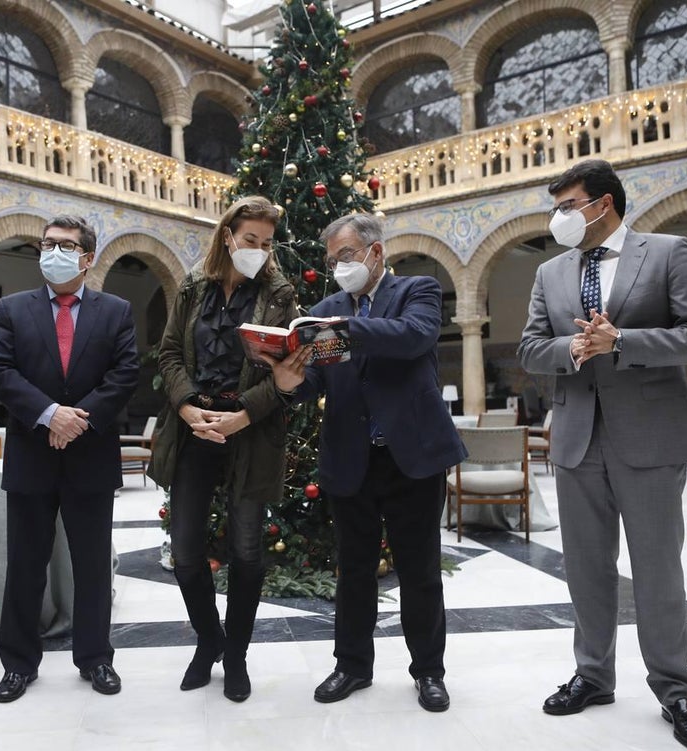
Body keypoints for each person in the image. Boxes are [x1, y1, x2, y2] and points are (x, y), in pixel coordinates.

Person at [518, 159, 687, 751]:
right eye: (555, 207)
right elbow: (532, 348)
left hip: (651, 437)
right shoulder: (550, 273)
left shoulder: (667, 252)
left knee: (657, 568)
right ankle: (593, 675)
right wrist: (573, 348)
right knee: (585, 567)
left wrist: (623, 341)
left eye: (567, 205)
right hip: (577, 436)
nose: (558, 217)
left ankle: (675, 691)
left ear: (602, 203)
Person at [266, 212, 465, 713]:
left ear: (376, 253)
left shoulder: (417, 291)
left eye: (347, 256)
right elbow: (314, 382)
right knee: (353, 570)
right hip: (351, 457)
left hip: (412, 456)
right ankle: (352, 665)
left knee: (420, 570)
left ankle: (429, 672)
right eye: (332, 260)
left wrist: (346, 329)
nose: (338, 267)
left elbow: (415, 336)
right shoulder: (324, 310)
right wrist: (289, 379)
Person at [147, 196, 297, 702]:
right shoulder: (193, 286)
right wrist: (188, 408)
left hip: (248, 429)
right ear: (227, 235)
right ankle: (209, 640)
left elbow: (289, 376)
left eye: (266, 242)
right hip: (194, 426)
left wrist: (241, 416)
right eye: (250, 240)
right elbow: (168, 352)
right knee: (186, 551)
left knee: (248, 550)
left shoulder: (279, 294)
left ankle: (236, 656)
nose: (259, 250)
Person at [0, 215, 138, 704]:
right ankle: (17, 664)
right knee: (25, 565)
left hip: (90, 456)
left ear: (87, 257)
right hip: (32, 454)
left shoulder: (116, 310)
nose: (54, 252)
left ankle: (96, 659)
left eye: (66, 245)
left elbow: (124, 374)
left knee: (91, 566)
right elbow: (0, 372)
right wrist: (49, 415)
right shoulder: (13, 308)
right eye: (48, 244)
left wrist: (77, 419)